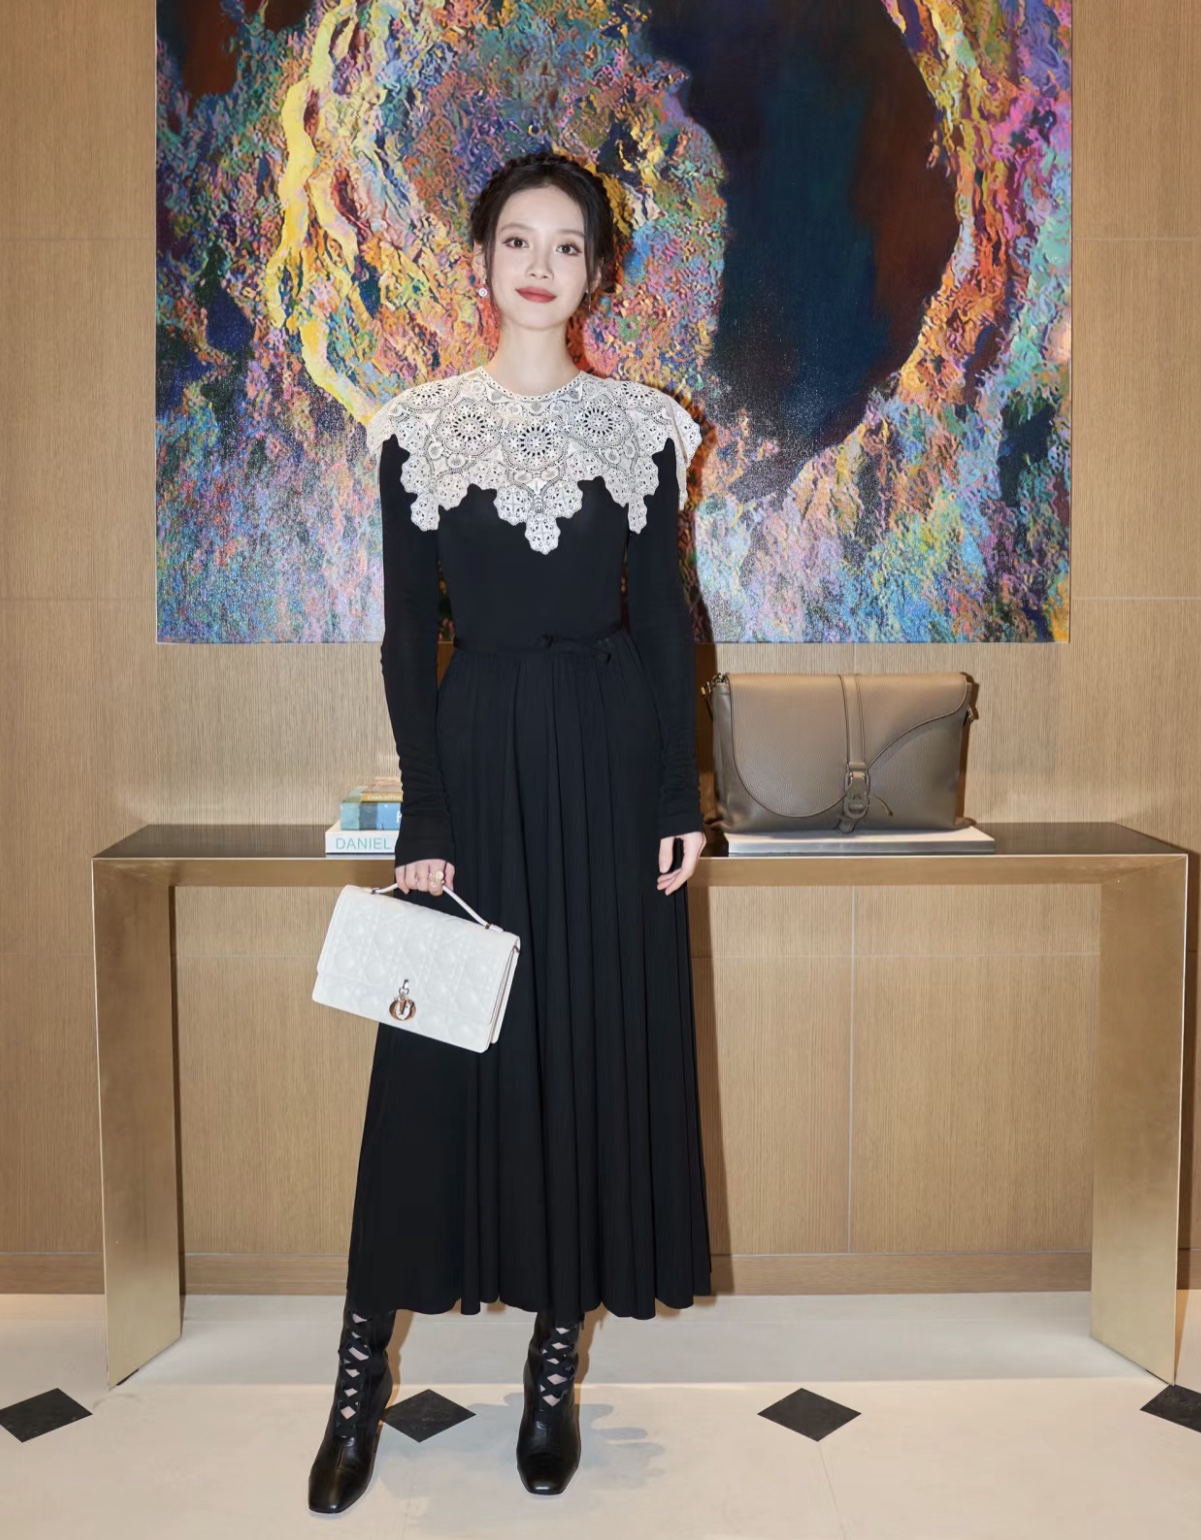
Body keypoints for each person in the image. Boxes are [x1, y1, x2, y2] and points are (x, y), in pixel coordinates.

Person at [308, 149, 713, 1516]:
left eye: (568, 244)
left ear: (598, 272)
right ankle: (356, 1383)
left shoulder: (645, 428)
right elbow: (401, 638)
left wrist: (677, 798)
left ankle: (552, 1371)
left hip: (606, 772)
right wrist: (425, 810)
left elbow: (662, 629)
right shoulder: (416, 427)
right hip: (475, 772)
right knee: (428, 1073)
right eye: (518, 241)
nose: (542, 266)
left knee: (585, 1060)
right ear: (479, 262)